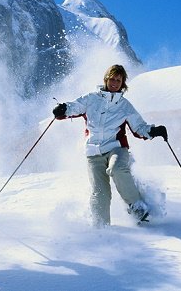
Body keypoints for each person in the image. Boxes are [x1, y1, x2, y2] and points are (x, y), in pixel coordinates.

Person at [53, 64, 168, 227]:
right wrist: (63, 109)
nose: (114, 83)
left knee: (117, 169)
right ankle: (101, 228)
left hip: (117, 148)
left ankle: (137, 206)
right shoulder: (91, 98)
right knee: (100, 192)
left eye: (119, 80)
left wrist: (154, 130)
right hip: (93, 153)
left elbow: (139, 127)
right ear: (106, 79)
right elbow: (74, 107)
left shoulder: (125, 105)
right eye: (112, 79)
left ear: (123, 84)